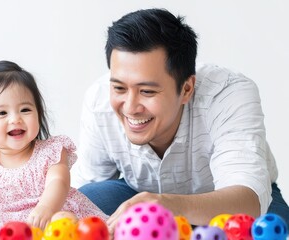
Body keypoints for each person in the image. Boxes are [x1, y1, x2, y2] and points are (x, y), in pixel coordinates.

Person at [70, 8, 289, 234]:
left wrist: (170, 205)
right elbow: (82, 190)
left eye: (146, 91)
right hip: (140, 197)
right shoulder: (98, 100)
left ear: (186, 89)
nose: (130, 107)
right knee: (88, 200)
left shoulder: (228, 93)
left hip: (228, 203)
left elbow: (248, 200)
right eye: (119, 88)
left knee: (260, 230)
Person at [0, 60, 108, 232]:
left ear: (38, 113)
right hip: (12, 230)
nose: (15, 119)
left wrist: (46, 208)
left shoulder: (50, 151)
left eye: (25, 110)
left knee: (64, 220)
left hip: (53, 216)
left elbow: (59, 182)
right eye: (2, 113)